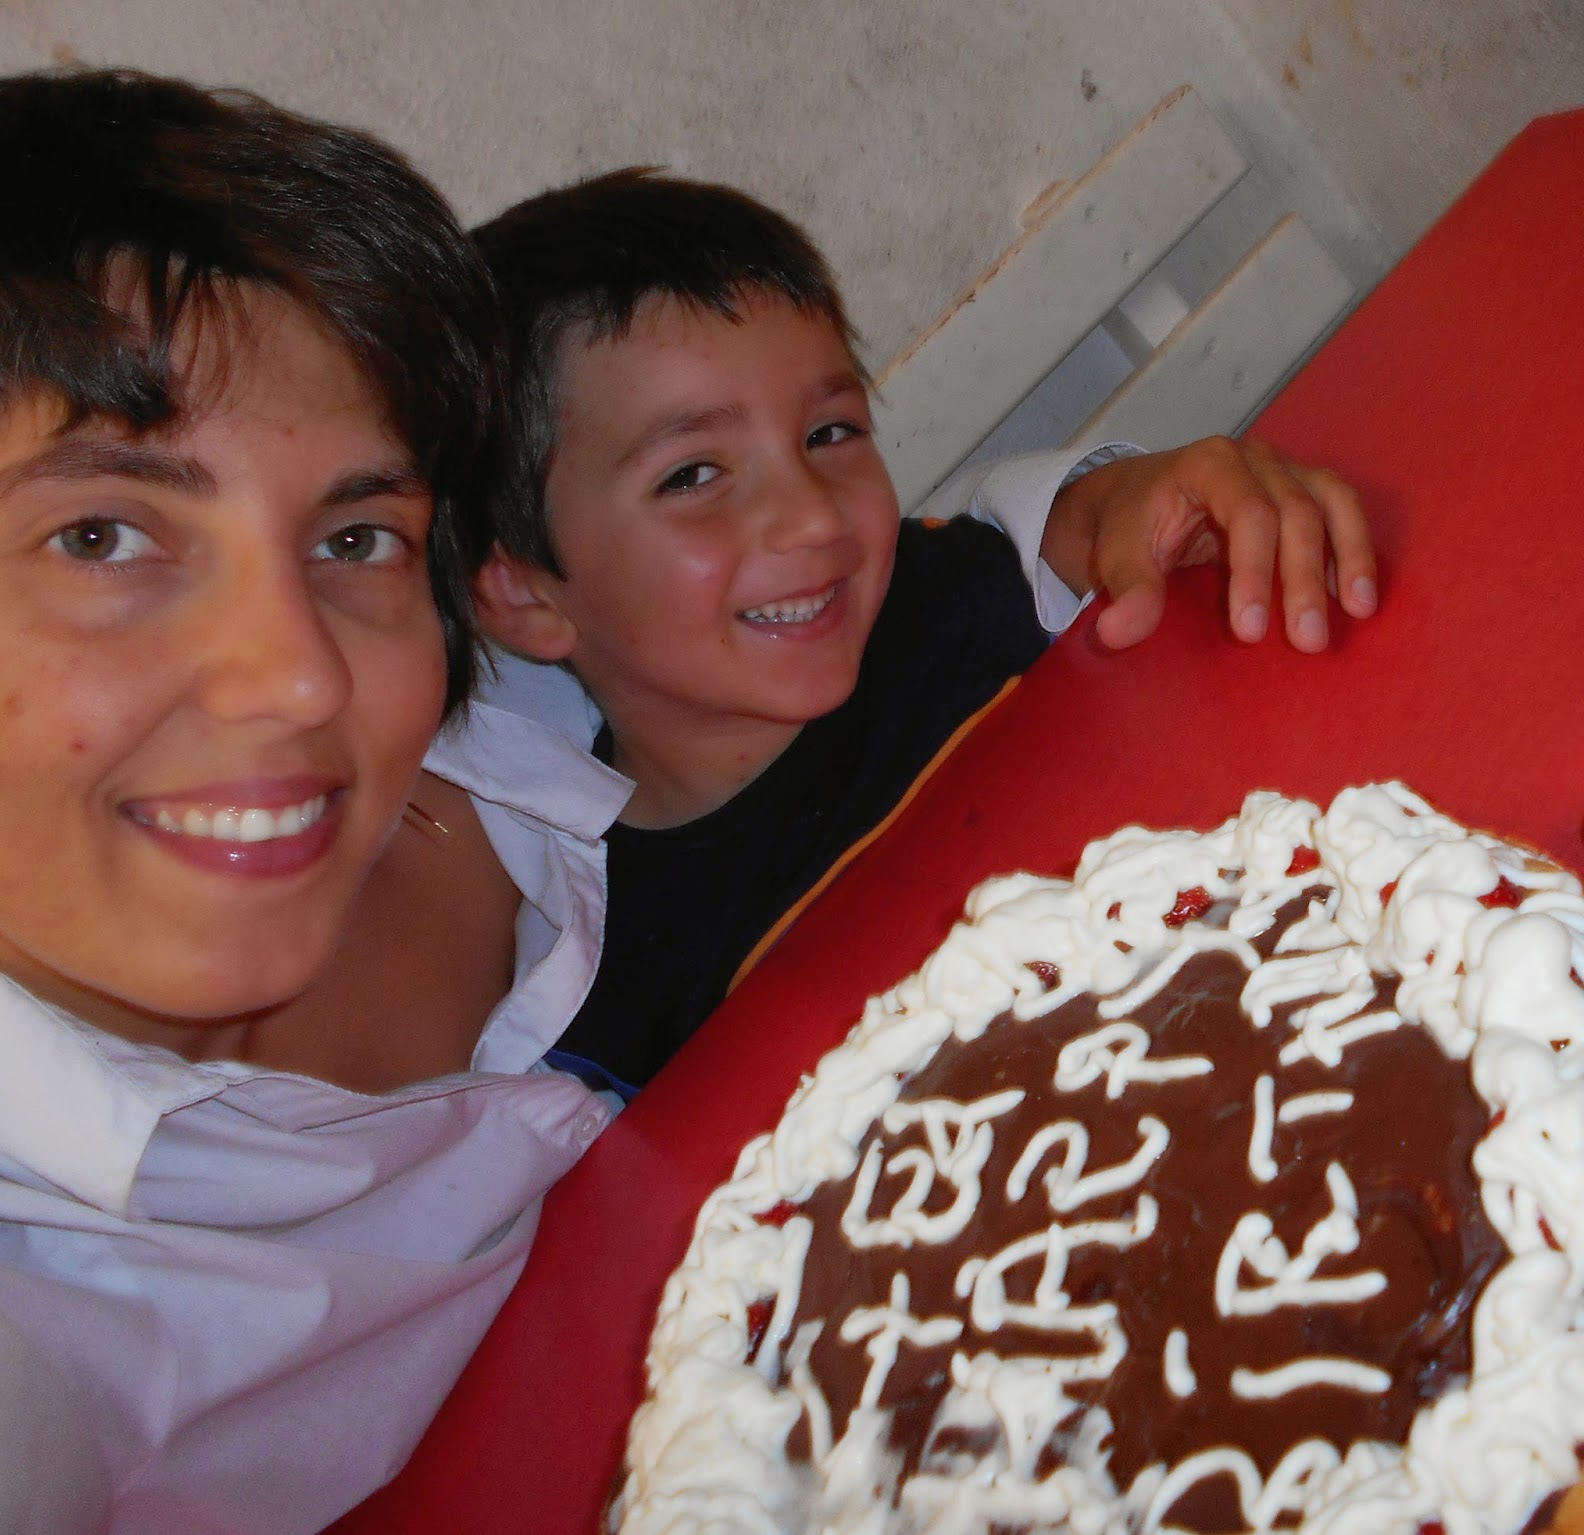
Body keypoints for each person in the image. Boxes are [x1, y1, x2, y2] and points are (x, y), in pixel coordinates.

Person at [0, 69, 631, 1533]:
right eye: (101, 536)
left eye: (352, 537)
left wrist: (1076, 503)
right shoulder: (38, 1291)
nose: (297, 675)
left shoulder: (484, 748)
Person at [471, 169, 1378, 1096]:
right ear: (524, 591)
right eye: (693, 475)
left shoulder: (972, 593)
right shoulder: (607, 994)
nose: (813, 516)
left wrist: (1141, 503)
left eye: (830, 432)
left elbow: (1104, 537)